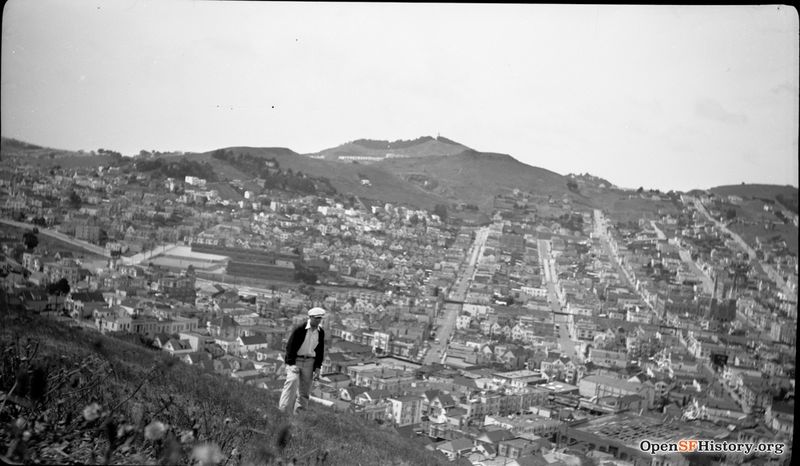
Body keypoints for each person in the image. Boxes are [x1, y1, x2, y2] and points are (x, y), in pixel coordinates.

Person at [278, 307, 326, 414]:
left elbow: (320, 350)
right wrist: (290, 363)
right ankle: (283, 411)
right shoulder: (300, 329)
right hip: (296, 361)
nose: (318, 320)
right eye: (316, 318)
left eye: (320, 318)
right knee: (292, 382)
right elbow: (290, 346)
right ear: (310, 317)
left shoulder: (320, 332)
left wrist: (318, 367)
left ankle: (299, 415)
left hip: (310, 362)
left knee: (304, 391)